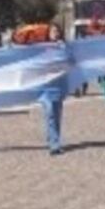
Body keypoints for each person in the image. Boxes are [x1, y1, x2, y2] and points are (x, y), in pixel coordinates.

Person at [39, 23, 66, 155]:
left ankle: (53, 139)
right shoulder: (42, 48)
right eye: (52, 31)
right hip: (45, 87)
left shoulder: (63, 47)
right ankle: (54, 145)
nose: (55, 33)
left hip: (59, 86)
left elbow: (70, 62)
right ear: (48, 33)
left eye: (57, 31)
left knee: (57, 115)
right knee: (49, 113)